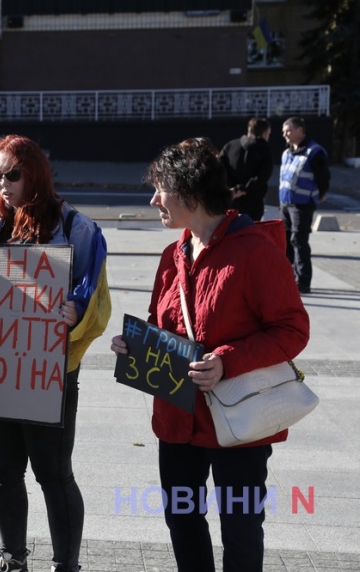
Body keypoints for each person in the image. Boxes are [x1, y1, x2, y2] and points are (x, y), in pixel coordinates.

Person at [110, 138, 310, 572]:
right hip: (177, 420)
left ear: (190, 192)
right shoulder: (173, 254)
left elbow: (293, 330)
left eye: (160, 188)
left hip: (239, 423)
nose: (152, 199)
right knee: (182, 521)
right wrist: (135, 347)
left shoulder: (255, 251)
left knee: (240, 529)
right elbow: (162, 323)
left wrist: (226, 360)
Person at [0, 135, 111, 572]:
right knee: (4, 472)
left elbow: (96, 301)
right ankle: (12, 559)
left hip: (48, 371)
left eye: (12, 174)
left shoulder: (77, 229)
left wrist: (76, 310)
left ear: (36, 173)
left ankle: (66, 566)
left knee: (53, 474)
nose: (4, 184)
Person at [279, 116, 331, 294]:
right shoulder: (287, 152)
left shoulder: (314, 152)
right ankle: (287, 278)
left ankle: (303, 281)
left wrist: (321, 194)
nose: (284, 134)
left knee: (299, 241)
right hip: (286, 203)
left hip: (302, 204)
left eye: (288, 130)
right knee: (286, 242)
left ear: (300, 130)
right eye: (283, 131)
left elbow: (323, 177)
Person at [218, 117, 274, 221]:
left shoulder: (230, 145)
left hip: (230, 199)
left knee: (228, 232)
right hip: (254, 201)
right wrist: (243, 188)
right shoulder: (264, 150)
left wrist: (233, 189)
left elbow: (219, 169)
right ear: (265, 133)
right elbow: (263, 176)